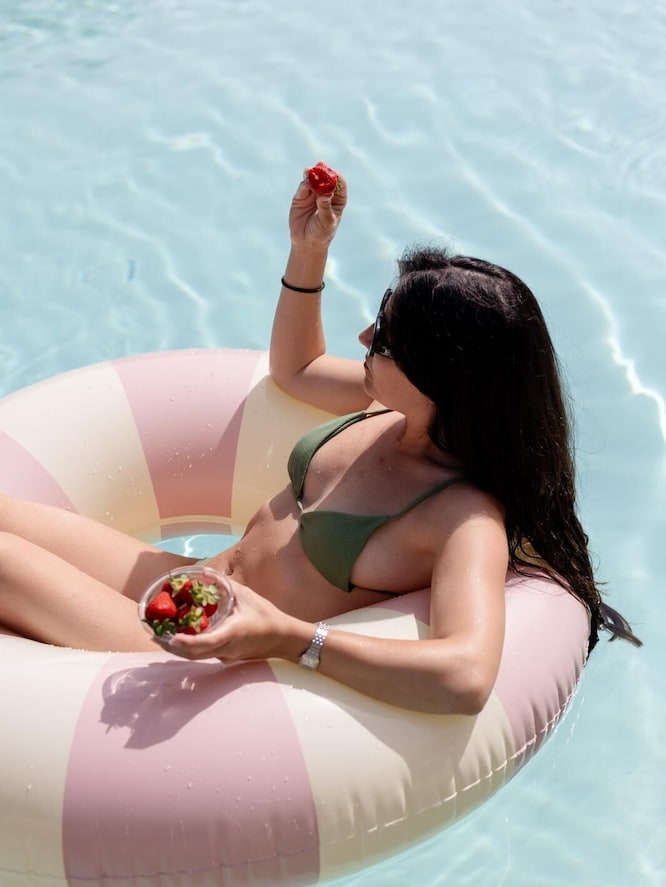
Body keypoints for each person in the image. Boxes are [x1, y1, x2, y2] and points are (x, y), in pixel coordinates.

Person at [0, 170, 640, 712]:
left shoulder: (461, 519)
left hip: (195, 647)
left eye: (384, 337)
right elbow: (297, 367)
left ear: (442, 377)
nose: (364, 338)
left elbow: (467, 677)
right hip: (187, 582)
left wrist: (288, 639)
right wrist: (309, 249)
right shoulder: (385, 408)